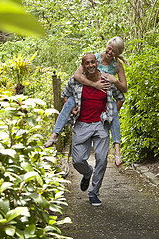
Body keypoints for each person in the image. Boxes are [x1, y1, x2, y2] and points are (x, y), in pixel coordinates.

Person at [44, 37, 128, 166]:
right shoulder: (94, 58)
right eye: (109, 48)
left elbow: (124, 89)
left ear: (118, 53)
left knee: (113, 112)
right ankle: (55, 135)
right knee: (68, 104)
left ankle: (117, 150)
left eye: (114, 51)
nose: (110, 52)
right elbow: (76, 76)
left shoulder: (117, 66)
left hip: (102, 98)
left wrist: (114, 80)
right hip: (83, 94)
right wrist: (95, 85)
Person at [60, 53, 125, 206]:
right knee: (77, 161)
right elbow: (64, 96)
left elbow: (120, 97)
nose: (90, 66)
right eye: (86, 63)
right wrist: (71, 109)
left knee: (102, 160)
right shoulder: (76, 81)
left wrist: (110, 112)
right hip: (82, 124)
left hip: (100, 125)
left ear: (97, 63)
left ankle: (94, 193)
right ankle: (87, 173)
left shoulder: (106, 80)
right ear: (83, 65)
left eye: (92, 62)